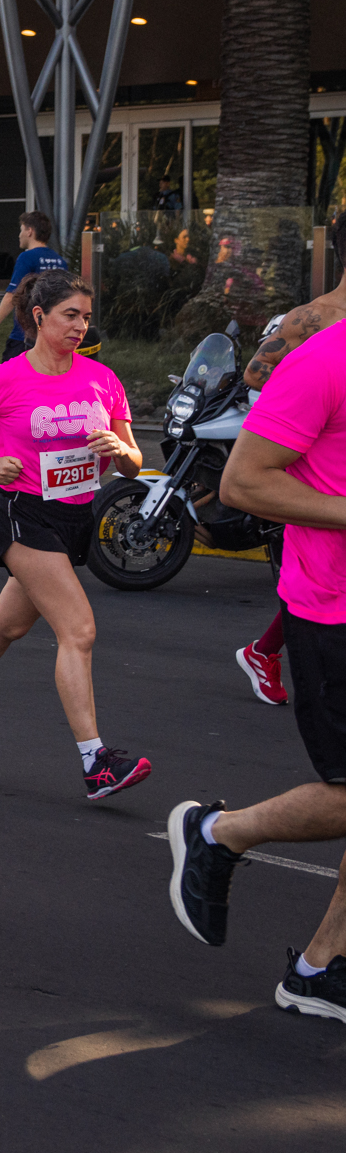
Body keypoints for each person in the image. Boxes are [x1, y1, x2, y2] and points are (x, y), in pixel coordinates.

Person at [168, 315, 346, 1022]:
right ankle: (218, 835)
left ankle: (319, 967)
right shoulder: (323, 360)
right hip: (333, 611)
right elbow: (243, 483)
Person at [0, 272, 151, 800]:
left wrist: (119, 450)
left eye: (86, 317)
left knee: (7, 626)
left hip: (75, 517)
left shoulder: (102, 378)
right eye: (70, 315)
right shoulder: (6, 378)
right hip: (23, 513)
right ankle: (96, 762)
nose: (80, 326)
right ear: (40, 316)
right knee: (79, 630)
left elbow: (136, 463)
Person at [233, 238, 346, 706]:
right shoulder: (310, 319)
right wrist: (302, 395)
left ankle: (264, 650)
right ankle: (265, 651)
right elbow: (254, 375)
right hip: (296, 450)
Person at [0, 211, 67, 358]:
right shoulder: (60, 261)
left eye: (21, 229)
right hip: (51, 334)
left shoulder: (26, 257)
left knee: (10, 377)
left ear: (30, 231)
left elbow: (13, 295)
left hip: (24, 334)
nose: (19, 235)